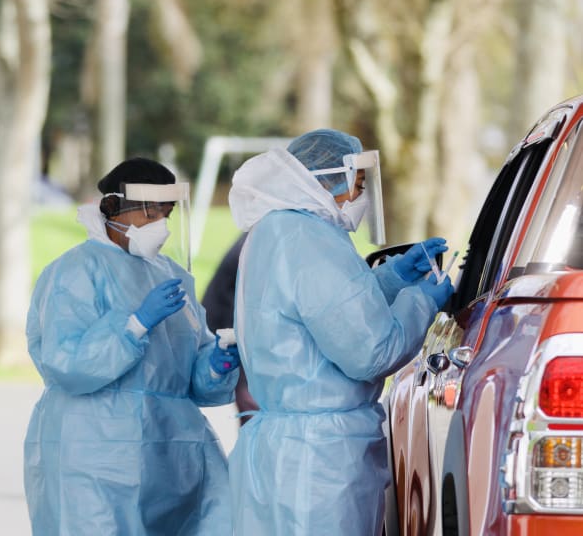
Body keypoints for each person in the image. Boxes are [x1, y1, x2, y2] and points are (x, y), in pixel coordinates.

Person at [225, 129, 454, 535]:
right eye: (357, 185)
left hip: (288, 447)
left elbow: (328, 310)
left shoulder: (277, 231)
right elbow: (371, 352)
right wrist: (421, 302)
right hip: (319, 462)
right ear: (329, 178)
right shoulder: (309, 240)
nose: (360, 198)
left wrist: (392, 279)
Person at [24, 157, 240, 534]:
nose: (159, 226)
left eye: (165, 214)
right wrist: (135, 326)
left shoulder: (173, 277)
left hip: (172, 453)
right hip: (95, 453)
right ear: (112, 209)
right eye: (149, 213)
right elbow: (66, 365)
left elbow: (192, 378)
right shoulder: (74, 272)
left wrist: (217, 364)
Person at [200, 232, 259, 423]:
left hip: (231, 327)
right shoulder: (259, 244)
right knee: (252, 407)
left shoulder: (257, 238)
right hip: (230, 331)